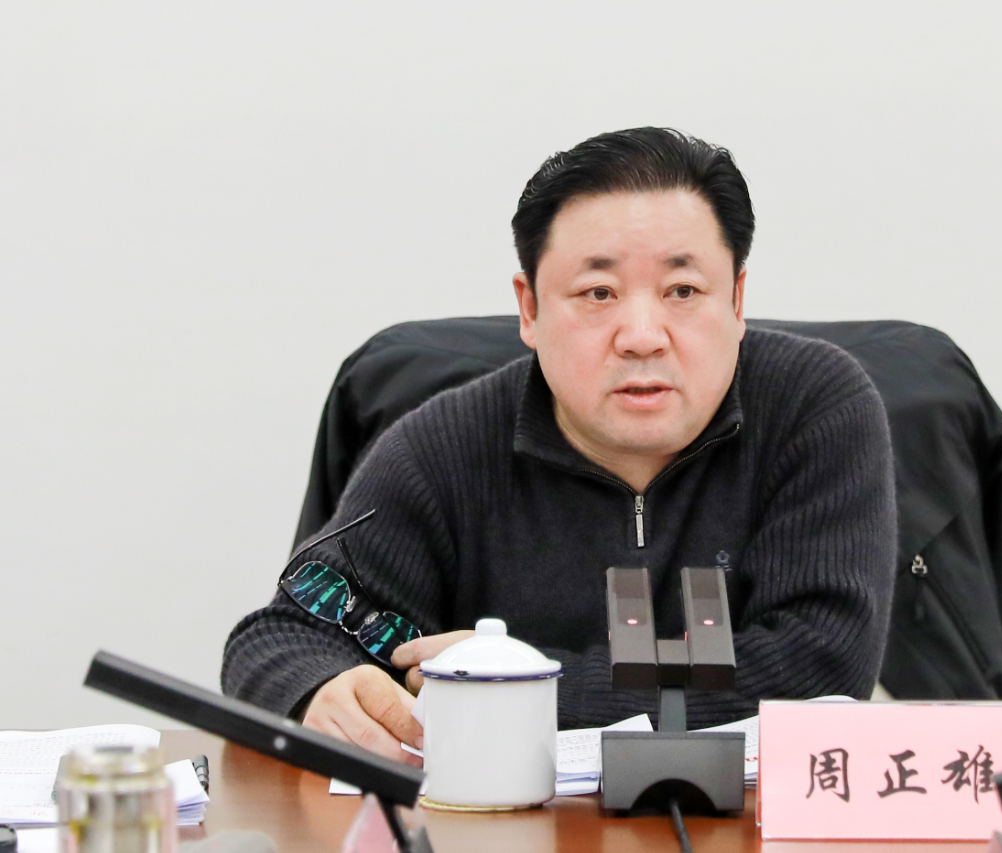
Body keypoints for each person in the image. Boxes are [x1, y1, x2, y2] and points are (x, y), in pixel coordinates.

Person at [221, 127, 897, 765]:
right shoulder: (445, 445)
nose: (642, 336)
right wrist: (321, 690)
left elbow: (822, 672)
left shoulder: (814, 407)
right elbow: (281, 637)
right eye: (598, 292)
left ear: (738, 300)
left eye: (683, 291)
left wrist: (525, 690)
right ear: (530, 309)